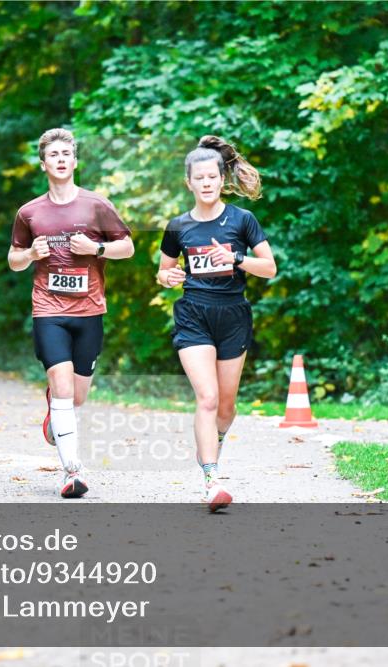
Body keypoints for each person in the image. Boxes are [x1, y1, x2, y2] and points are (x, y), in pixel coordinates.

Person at [8, 128, 134, 498]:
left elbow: (126, 248)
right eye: (54, 154)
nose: (61, 159)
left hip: (89, 310)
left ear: (75, 161)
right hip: (48, 310)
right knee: (63, 389)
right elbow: (14, 260)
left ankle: (55, 409)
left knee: (77, 397)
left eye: (67, 153)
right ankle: (72, 472)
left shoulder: (96, 205)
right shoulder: (29, 212)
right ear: (43, 163)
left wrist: (95, 248)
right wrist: (31, 254)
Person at [156, 136, 276, 512]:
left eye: (212, 177)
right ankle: (211, 479)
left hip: (233, 316)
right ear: (188, 182)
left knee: (226, 406)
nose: (206, 183)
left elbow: (269, 268)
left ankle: (213, 446)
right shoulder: (178, 226)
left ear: (222, 180)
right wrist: (168, 278)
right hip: (194, 314)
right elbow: (164, 270)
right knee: (206, 398)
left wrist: (236, 257)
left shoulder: (242, 220)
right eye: (199, 178)